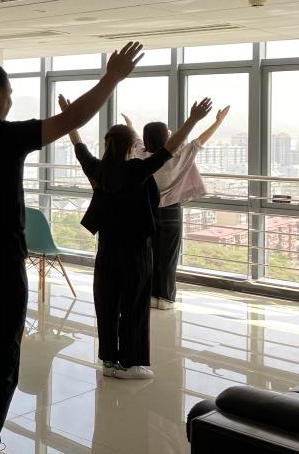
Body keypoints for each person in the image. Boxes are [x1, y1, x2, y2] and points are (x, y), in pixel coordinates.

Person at [0, 42, 144, 454]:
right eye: (8, 93)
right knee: (0, 361)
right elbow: (74, 117)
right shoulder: (8, 136)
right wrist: (112, 78)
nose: (10, 100)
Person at [64, 95, 213, 381]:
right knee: (134, 306)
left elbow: (78, 146)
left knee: (107, 304)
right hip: (136, 251)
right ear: (131, 147)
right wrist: (193, 120)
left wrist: (70, 116)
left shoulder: (98, 169)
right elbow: (169, 149)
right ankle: (132, 365)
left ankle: (109, 362)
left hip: (107, 250)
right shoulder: (136, 170)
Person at [123, 106, 231, 309]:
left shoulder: (141, 156)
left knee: (149, 255)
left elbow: (135, 139)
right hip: (171, 211)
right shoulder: (179, 155)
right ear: (166, 137)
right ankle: (165, 299)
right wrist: (218, 122)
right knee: (169, 256)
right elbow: (199, 141)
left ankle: (149, 295)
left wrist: (129, 125)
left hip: (146, 211)